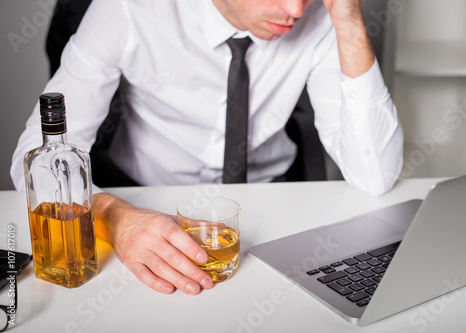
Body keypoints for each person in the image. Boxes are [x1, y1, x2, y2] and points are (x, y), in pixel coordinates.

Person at [11, 0, 403, 296]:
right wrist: (114, 217)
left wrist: (348, 17)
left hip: (272, 201)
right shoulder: (129, 8)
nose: (295, 9)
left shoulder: (320, 15)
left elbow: (376, 176)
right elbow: (31, 159)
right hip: (149, 199)